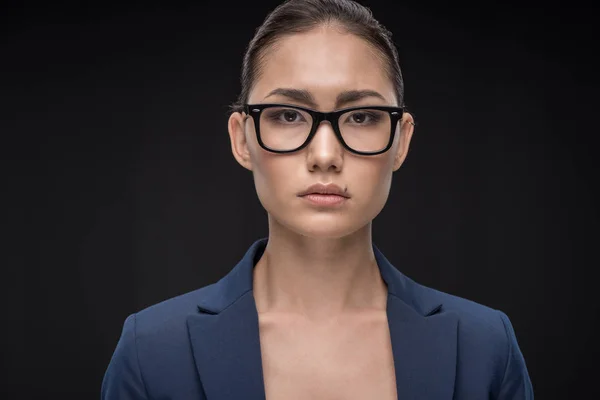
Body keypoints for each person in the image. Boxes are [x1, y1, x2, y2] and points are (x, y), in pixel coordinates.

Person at [101, 0, 534, 398]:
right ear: (242, 139)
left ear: (401, 141)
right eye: (288, 115)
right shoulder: (152, 351)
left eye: (362, 116)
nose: (325, 156)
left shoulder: (484, 346)